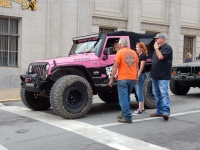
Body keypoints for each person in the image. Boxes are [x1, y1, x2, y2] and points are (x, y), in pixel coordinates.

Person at [109, 37, 139, 123]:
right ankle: (124, 113)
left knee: (123, 98)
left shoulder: (120, 52)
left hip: (123, 79)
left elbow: (115, 66)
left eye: (119, 44)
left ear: (120, 44)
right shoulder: (134, 52)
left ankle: (127, 117)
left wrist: (111, 79)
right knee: (126, 97)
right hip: (132, 79)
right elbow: (137, 67)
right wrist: (136, 77)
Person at [150, 33, 173, 121]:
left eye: (157, 39)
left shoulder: (167, 48)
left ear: (162, 39)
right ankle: (159, 111)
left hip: (163, 76)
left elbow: (160, 57)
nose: (155, 40)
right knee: (157, 95)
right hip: (155, 75)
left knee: (164, 94)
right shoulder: (158, 49)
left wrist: (156, 48)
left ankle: (166, 112)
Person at [133, 42, 148, 114]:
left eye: (137, 47)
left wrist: (137, 77)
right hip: (139, 75)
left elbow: (141, 68)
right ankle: (142, 108)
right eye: (136, 47)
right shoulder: (138, 55)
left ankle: (139, 109)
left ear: (141, 48)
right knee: (138, 91)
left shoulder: (143, 56)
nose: (136, 49)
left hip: (141, 75)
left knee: (139, 92)